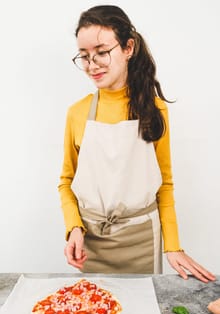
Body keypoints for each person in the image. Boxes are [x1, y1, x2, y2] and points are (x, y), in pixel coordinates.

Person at [58, 5, 215, 282]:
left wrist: (173, 246)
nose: (92, 64)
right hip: (92, 241)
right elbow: (66, 181)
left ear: (128, 48)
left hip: (142, 241)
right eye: (84, 56)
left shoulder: (153, 109)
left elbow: (164, 184)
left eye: (102, 52)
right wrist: (74, 228)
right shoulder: (77, 113)